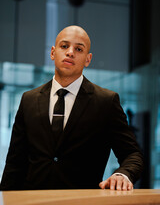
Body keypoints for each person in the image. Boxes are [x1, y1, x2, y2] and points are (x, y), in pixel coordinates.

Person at [0, 25, 144, 191]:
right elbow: (14, 163)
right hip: (32, 200)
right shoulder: (29, 100)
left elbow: (133, 154)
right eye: (64, 46)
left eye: (78, 49)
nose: (70, 52)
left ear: (88, 59)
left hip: (81, 201)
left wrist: (122, 174)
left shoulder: (106, 101)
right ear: (53, 52)